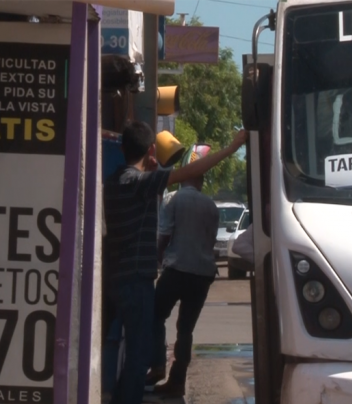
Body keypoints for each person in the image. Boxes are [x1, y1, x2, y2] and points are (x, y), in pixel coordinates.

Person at [102, 121, 247, 404]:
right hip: (137, 278)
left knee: (112, 342)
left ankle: (106, 392)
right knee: (137, 353)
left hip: (114, 278)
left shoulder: (113, 182)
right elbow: (193, 170)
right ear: (151, 150)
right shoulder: (141, 182)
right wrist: (233, 147)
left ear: (122, 149)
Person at [145, 148, 220, 397]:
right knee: (185, 329)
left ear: (187, 176)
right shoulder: (211, 206)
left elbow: (163, 235)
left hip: (176, 269)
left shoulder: (174, 200)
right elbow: (211, 242)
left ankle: (157, 366)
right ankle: (177, 381)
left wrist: (158, 260)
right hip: (202, 274)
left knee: (156, 316)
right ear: (200, 182)